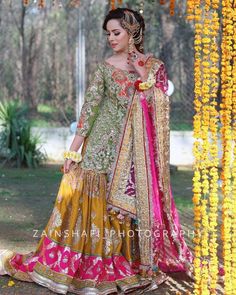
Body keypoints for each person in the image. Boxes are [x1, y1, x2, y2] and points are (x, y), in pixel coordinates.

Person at [0, 7, 194, 295]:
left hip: (131, 154)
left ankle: (129, 260)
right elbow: (89, 110)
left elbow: (160, 106)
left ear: (133, 32)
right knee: (91, 202)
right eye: (108, 34)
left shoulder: (153, 66)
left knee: (124, 208)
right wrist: (73, 152)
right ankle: (87, 260)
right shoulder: (105, 66)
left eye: (116, 33)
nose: (111, 39)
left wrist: (143, 75)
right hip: (99, 146)